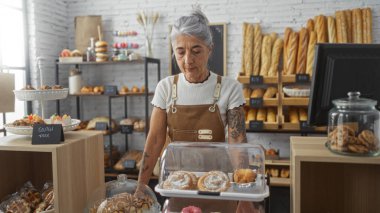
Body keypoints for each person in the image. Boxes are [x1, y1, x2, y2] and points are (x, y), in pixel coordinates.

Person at [136, 8, 257, 213]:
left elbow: (237, 143)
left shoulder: (229, 88)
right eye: (180, 52)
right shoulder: (166, 88)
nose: (187, 60)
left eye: (196, 50)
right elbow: (155, 139)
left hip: (221, 186)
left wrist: (243, 197)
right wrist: (141, 186)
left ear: (210, 49)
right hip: (178, 185)